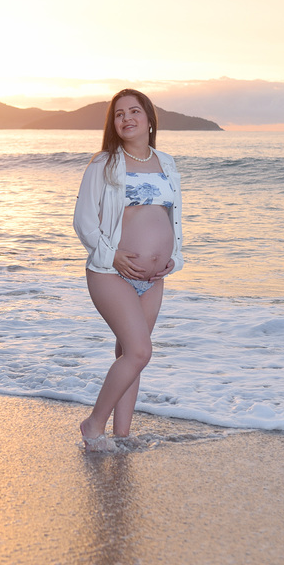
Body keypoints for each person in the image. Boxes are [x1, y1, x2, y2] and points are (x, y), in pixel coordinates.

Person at [73, 88, 183, 451]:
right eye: (119, 114)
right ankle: (93, 426)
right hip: (110, 273)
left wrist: (172, 258)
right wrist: (113, 254)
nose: (127, 119)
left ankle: (121, 437)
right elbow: (84, 221)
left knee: (130, 356)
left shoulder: (166, 162)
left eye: (134, 111)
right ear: (113, 123)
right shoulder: (103, 164)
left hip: (152, 278)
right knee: (140, 351)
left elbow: (173, 218)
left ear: (150, 120)